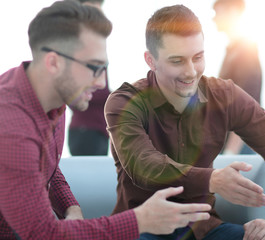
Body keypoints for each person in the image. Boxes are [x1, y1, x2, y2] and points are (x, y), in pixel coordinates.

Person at [0, 1, 212, 239]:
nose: (102, 83)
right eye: (94, 67)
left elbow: (44, 164)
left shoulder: (50, 97)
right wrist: (140, 220)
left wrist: (71, 206)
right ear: (53, 63)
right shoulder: (11, 128)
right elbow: (44, 234)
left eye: (105, 68)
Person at [104, 4, 265, 240]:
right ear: (151, 60)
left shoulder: (225, 95)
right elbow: (144, 165)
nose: (191, 72)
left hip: (203, 230)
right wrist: (211, 179)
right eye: (177, 61)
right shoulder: (124, 102)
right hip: (142, 230)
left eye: (198, 57)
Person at [213, 0, 262, 155]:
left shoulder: (245, 50)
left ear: (233, 11)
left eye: (217, 13)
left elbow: (246, 105)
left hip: (240, 146)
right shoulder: (232, 52)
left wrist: (230, 152)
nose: (214, 18)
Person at [68, 0, 110, 156]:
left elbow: (101, 87)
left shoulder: (97, 47)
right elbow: (73, 92)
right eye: (92, 13)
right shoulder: (75, 50)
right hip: (86, 130)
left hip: (97, 129)